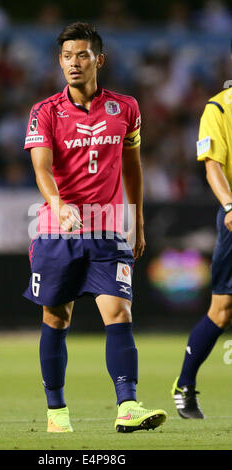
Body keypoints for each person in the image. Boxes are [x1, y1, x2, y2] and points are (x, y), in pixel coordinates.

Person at [23, 22, 167, 433]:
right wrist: (58, 204)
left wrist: (137, 221)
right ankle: (56, 413)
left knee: (119, 311)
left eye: (82, 55)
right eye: (67, 56)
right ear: (60, 61)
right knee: (56, 319)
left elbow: (132, 166)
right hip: (56, 230)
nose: (73, 63)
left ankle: (128, 406)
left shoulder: (126, 108)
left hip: (107, 232)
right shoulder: (45, 111)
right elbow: (41, 167)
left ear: (98, 60)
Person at [172, 47, 232, 418]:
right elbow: (212, 165)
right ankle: (185, 384)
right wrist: (229, 205)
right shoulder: (220, 109)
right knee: (222, 311)